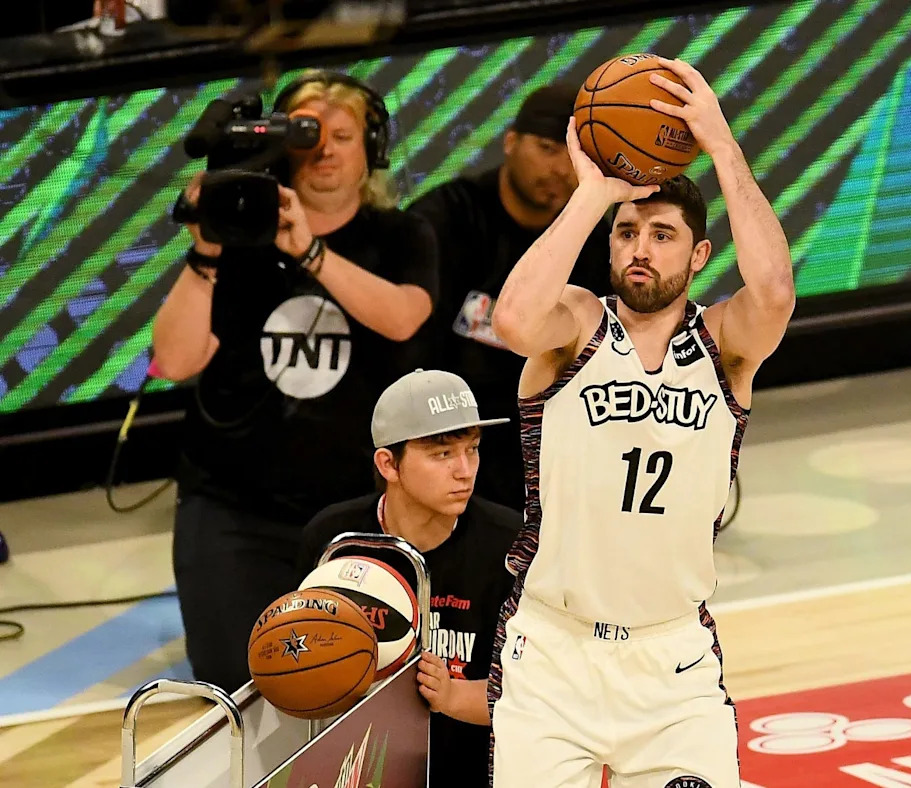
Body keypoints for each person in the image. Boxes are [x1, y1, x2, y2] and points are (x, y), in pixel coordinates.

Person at [487, 57, 796, 788]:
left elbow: (775, 291)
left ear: (698, 255)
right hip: (552, 653)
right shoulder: (576, 325)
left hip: (671, 664)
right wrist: (594, 193)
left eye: (662, 234)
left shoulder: (724, 345)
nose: (640, 249)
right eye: (627, 233)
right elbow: (511, 320)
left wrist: (721, 145)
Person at [152, 71, 440, 692]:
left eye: (342, 136)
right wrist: (205, 249)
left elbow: (402, 317)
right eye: (307, 136)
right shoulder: (236, 239)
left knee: (359, 683)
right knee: (233, 682)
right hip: (233, 503)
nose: (325, 150)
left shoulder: (402, 235)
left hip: (356, 509)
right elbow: (173, 361)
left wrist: (310, 252)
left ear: (372, 151)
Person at [298, 368, 521, 788]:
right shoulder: (333, 540)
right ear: (389, 464)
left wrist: (453, 696)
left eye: (472, 449)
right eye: (442, 454)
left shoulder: (510, 546)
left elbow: (543, 695)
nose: (465, 470)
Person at [407, 84, 612, 511]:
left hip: (541, 434)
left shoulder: (593, 240)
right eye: (547, 149)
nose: (561, 170)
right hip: (445, 425)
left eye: (575, 159)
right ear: (510, 142)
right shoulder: (446, 218)